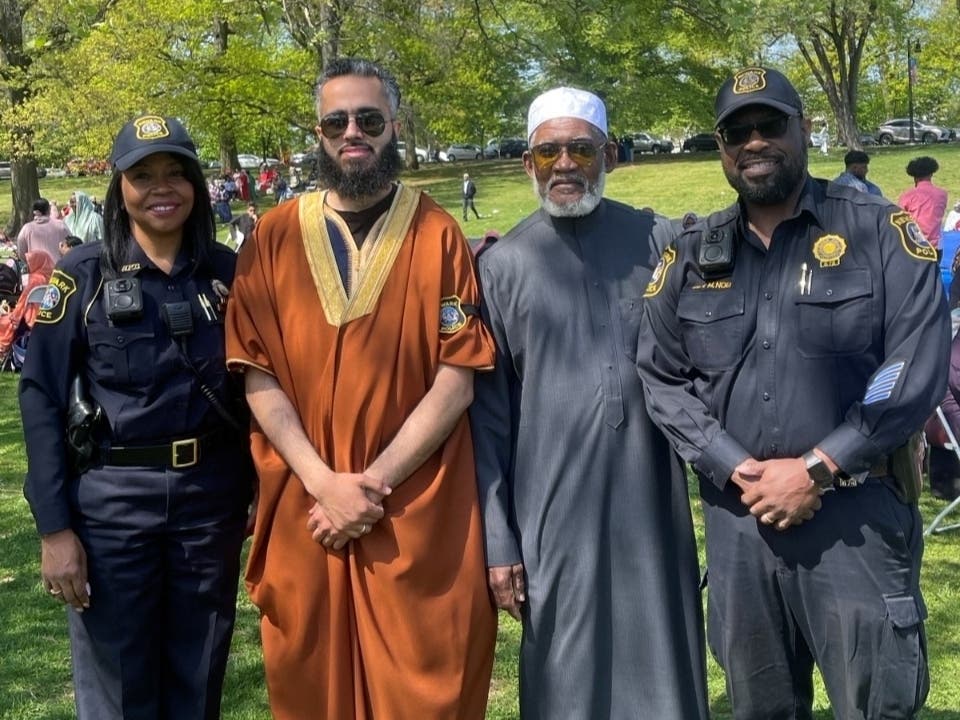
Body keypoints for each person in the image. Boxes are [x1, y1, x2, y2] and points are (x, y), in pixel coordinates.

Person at [636, 66, 948, 719]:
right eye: (736, 132)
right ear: (721, 147)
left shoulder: (877, 231)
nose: (754, 142)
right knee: (759, 706)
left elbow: (912, 366)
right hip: (741, 525)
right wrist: (735, 465)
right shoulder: (692, 254)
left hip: (855, 519)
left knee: (877, 705)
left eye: (770, 125)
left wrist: (819, 467)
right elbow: (662, 376)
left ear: (805, 128)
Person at [224, 57, 496, 718]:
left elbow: (456, 378)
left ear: (392, 127)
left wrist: (367, 485)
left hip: (413, 511)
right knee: (309, 687)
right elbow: (254, 371)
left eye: (369, 119)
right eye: (337, 120)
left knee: (426, 691)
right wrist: (326, 484)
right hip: (307, 512)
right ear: (316, 133)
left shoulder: (437, 233)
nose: (354, 132)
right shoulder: (274, 237)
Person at [469, 86, 709, 719]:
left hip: (650, 493)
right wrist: (499, 541)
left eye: (580, 149)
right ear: (528, 164)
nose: (565, 165)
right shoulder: (502, 267)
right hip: (550, 507)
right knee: (565, 671)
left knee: (663, 652)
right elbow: (487, 417)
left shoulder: (659, 240)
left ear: (609, 154)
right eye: (548, 152)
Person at [19, 114, 254, 719]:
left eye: (176, 173)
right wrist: (54, 529)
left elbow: (258, 387)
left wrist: (259, 487)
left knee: (197, 681)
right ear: (118, 188)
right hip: (112, 510)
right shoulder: (81, 276)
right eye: (142, 175)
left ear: (198, 186)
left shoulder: (230, 273)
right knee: (120, 691)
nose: (161, 187)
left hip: (209, 504)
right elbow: (40, 396)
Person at [0, 250, 54, 361]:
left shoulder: (33, 280)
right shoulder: (54, 278)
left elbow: (21, 305)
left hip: (30, 319)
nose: (28, 265)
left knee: (4, 320)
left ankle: (4, 352)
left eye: (30, 262)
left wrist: (11, 313)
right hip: (48, 318)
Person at [898, 155, 949, 251]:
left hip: (914, 245)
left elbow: (899, 219)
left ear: (914, 177)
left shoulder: (907, 196)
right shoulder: (942, 194)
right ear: (931, 174)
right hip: (936, 246)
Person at [16, 198, 70, 264]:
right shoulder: (60, 225)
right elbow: (71, 245)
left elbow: (21, 252)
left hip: (36, 269)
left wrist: (29, 263)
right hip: (58, 268)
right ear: (49, 210)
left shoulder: (26, 228)